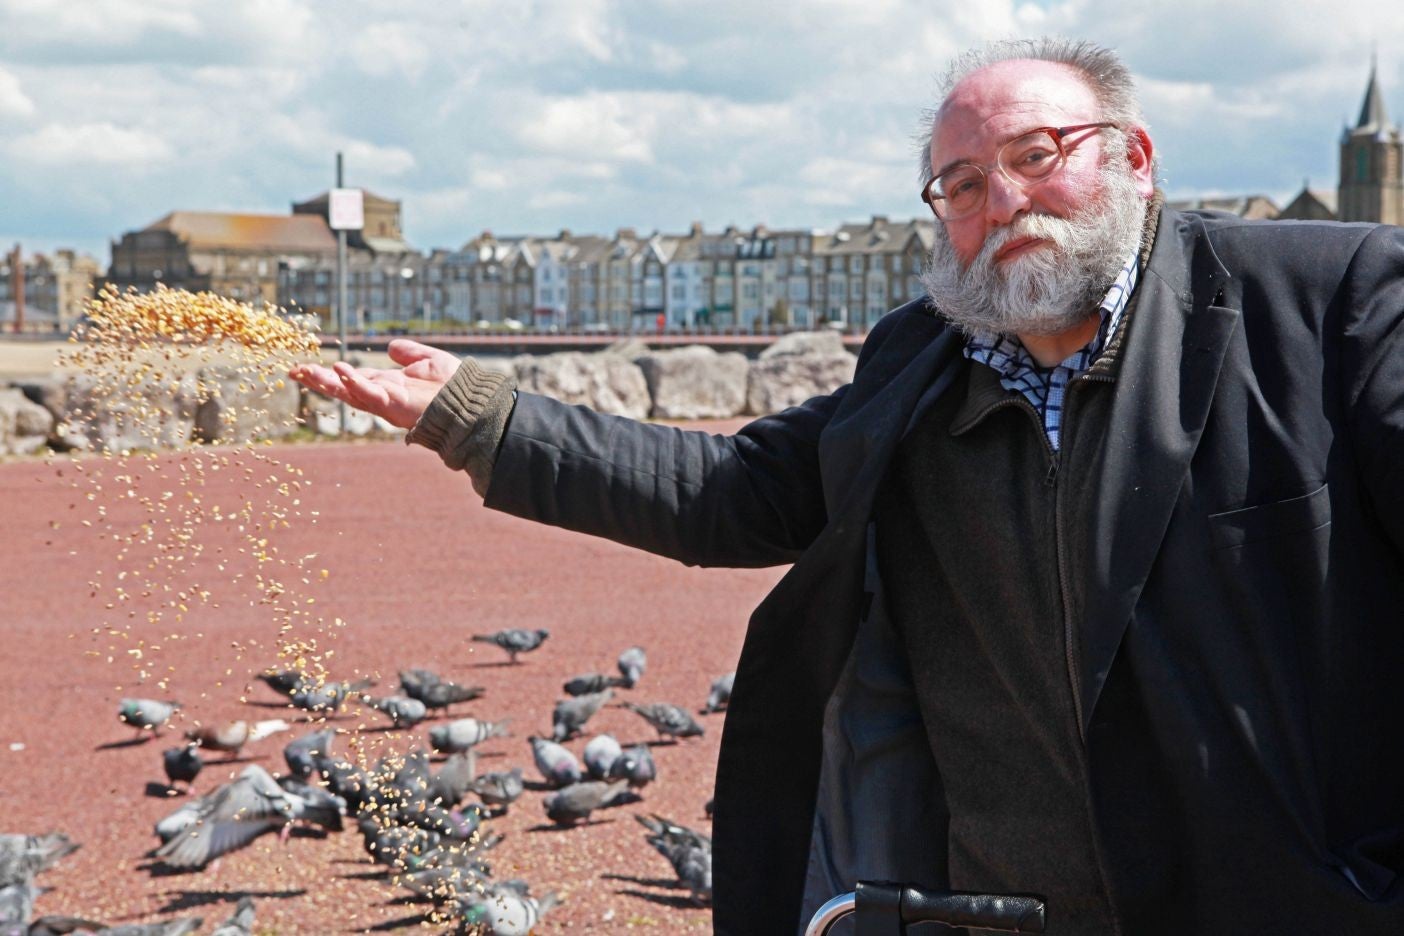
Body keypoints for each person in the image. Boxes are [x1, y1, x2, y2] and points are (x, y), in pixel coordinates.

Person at [291, 37, 1404, 936]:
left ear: (1134, 157)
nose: (1004, 200)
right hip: (1003, 911)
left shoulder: (1321, 302)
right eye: (962, 184)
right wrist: (477, 415)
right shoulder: (919, 362)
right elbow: (730, 491)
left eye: (1037, 154)